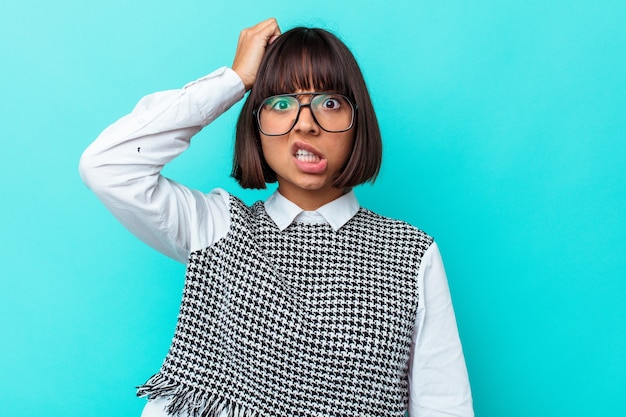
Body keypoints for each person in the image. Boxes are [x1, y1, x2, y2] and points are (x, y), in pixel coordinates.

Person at [79, 17, 473, 417]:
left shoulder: (409, 254)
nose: (305, 124)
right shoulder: (216, 229)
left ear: (358, 123)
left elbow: (445, 405)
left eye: (330, 103)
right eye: (281, 103)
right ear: (257, 124)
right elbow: (108, 166)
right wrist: (234, 80)